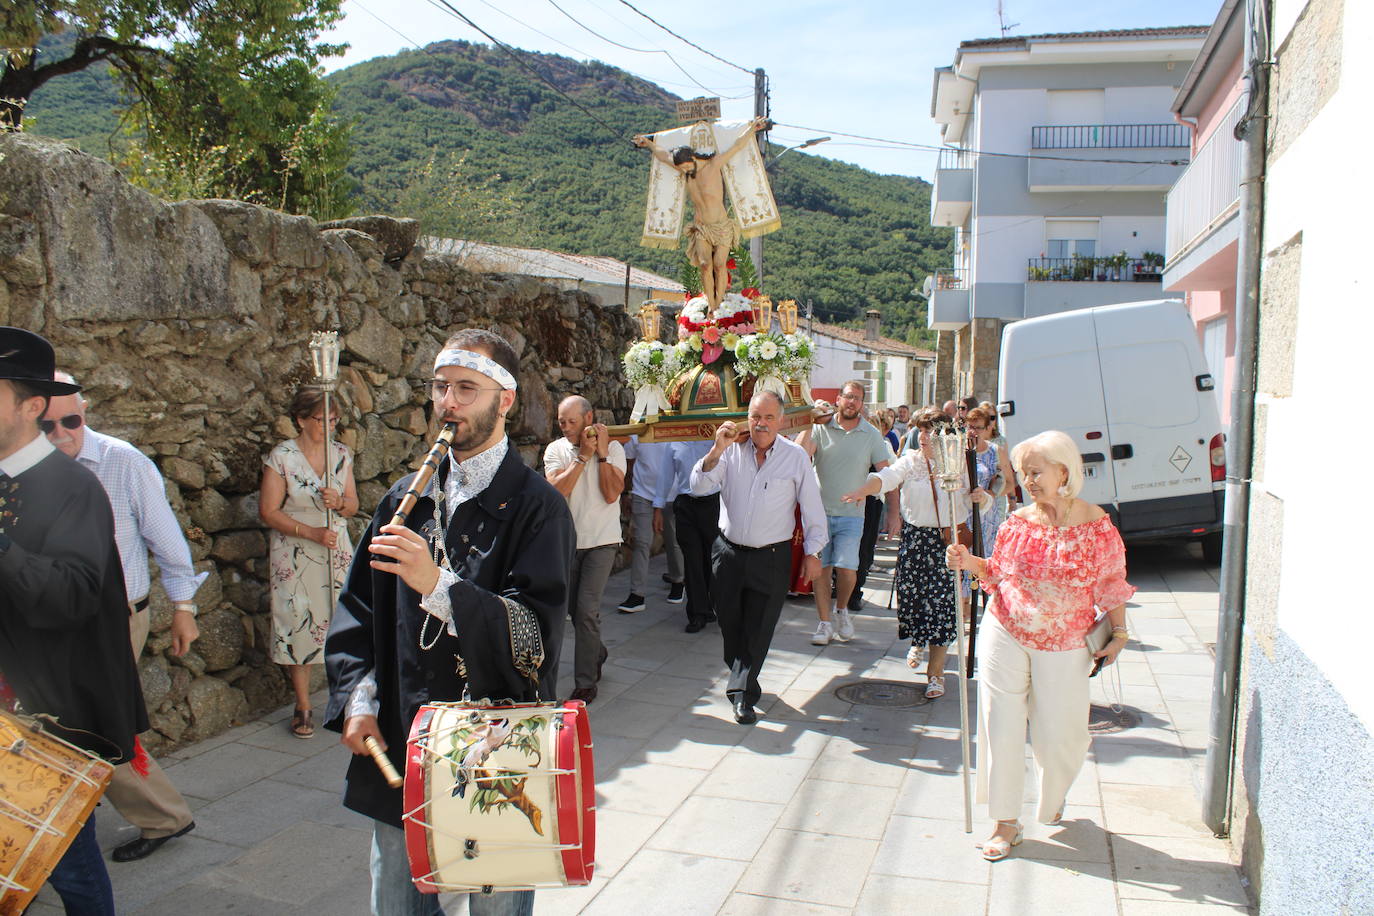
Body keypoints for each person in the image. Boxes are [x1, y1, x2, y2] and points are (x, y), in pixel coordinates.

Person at [324, 328, 573, 916]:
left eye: (467, 388)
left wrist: (438, 586)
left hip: (498, 749)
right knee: (396, 904)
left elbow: (534, 637)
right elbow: (359, 610)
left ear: (504, 400)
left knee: (496, 909)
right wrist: (358, 697)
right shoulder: (402, 501)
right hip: (403, 739)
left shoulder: (541, 509)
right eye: (441, 388)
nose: (449, 403)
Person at [0, 327, 147, 914]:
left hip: (46, 716)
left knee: (67, 862)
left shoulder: (73, 488)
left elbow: (73, 596)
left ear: (31, 406)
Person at [946, 430, 1134, 862]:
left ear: (1064, 472)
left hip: (1066, 644)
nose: (1027, 481)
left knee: (1061, 735)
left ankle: (1054, 797)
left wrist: (1119, 634)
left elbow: (1111, 584)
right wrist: (966, 561)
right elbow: (994, 573)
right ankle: (1005, 822)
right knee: (1000, 725)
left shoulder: (1095, 525)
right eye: (1023, 473)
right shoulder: (1017, 523)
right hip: (1006, 629)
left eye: (1036, 472)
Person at [42, 374, 203, 862]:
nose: (63, 433)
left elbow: (170, 547)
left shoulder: (121, 461)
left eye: (72, 420)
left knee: (97, 725)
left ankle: (160, 817)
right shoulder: (23, 468)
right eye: (49, 425)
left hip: (114, 620)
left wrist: (185, 609)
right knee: (72, 725)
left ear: (85, 410)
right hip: (47, 620)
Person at [691, 391, 826, 725]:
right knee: (729, 624)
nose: (760, 424)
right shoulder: (730, 450)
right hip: (729, 553)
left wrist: (814, 551)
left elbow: (811, 507)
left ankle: (743, 694)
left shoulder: (795, 457)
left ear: (781, 421)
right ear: (746, 418)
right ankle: (742, 673)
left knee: (759, 628)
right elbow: (698, 486)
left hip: (772, 557)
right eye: (754, 416)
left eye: (768, 417)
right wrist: (716, 449)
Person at [841, 407, 968, 699]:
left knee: (941, 608)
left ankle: (935, 674)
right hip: (914, 540)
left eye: (929, 431)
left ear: (943, 434)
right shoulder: (911, 461)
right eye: (919, 430)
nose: (922, 437)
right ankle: (918, 639)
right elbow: (887, 477)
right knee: (912, 601)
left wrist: (981, 496)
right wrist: (863, 490)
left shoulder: (958, 463)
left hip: (946, 543)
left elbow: (980, 497)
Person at [260, 385, 359, 739]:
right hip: (296, 550)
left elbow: (353, 504)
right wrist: (310, 532)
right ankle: (303, 705)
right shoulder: (282, 457)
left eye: (333, 419)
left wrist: (340, 502)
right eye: (321, 419)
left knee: (344, 622)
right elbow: (268, 511)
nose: (328, 426)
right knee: (298, 624)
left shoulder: (341, 454)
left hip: (335, 547)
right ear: (301, 420)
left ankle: (346, 702)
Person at [632, 116, 769, 308]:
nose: (686, 171)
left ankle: (718, 305)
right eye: (682, 169)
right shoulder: (685, 170)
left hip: (721, 227)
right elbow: (663, 156)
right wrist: (648, 144)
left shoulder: (714, 165)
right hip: (701, 228)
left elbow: (737, 146)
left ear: (694, 158)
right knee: (705, 266)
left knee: (720, 265)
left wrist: (752, 129)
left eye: (688, 167)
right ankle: (711, 307)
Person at [796, 381, 892, 645]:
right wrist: (809, 421)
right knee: (821, 569)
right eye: (848, 397)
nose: (852, 402)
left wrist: (894, 512)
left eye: (857, 399)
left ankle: (842, 610)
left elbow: (887, 472)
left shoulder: (871, 434)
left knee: (848, 568)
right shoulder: (821, 427)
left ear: (862, 403)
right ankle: (824, 623)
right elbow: (801, 457)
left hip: (852, 514)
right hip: (819, 514)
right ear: (838, 399)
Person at [545, 395, 625, 703]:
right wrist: (581, 458)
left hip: (602, 541)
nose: (566, 428)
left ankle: (585, 682)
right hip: (567, 541)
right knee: (573, 611)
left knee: (587, 611)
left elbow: (610, 495)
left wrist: (601, 455)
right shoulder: (556, 450)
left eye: (572, 422)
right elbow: (556, 493)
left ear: (588, 418)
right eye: (561, 422)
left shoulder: (614, 448)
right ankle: (597, 653)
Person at [617, 436, 683, 613]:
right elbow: (629, 463)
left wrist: (659, 508)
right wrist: (627, 492)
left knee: (673, 539)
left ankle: (678, 581)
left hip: (671, 493)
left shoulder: (672, 431)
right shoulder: (637, 432)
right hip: (642, 493)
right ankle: (637, 594)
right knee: (641, 542)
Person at [662, 439, 717, 633]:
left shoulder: (713, 437)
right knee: (692, 560)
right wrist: (658, 506)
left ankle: (714, 605)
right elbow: (666, 476)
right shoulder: (673, 443)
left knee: (713, 559)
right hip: (686, 504)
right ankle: (697, 613)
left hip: (713, 504)